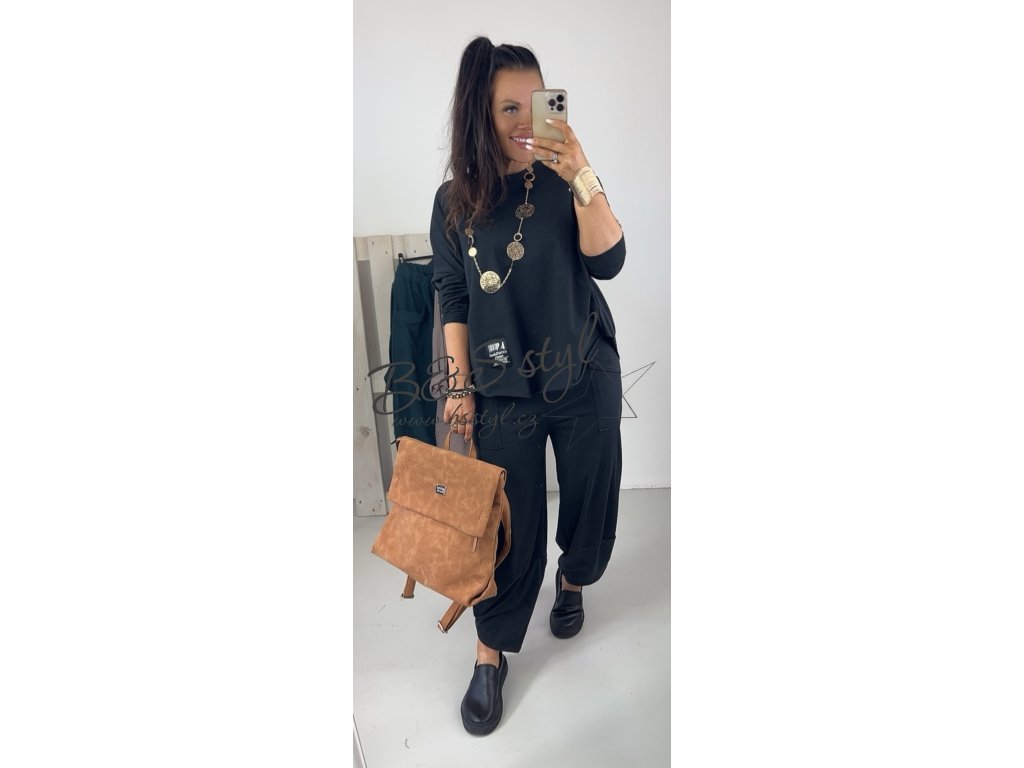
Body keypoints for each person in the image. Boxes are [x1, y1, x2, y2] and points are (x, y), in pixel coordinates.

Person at [430, 36, 626, 736]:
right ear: (478, 115)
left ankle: (573, 580)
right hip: (501, 386)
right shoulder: (453, 201)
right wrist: (459, 389)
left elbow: (610, 261)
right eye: (507, 107)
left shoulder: (565, 178)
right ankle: (490, 651)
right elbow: (453, 294)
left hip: (584, 370)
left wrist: (582, 173)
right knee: (506, 523)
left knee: (591, 496)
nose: (524, 121)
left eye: (535, 102)